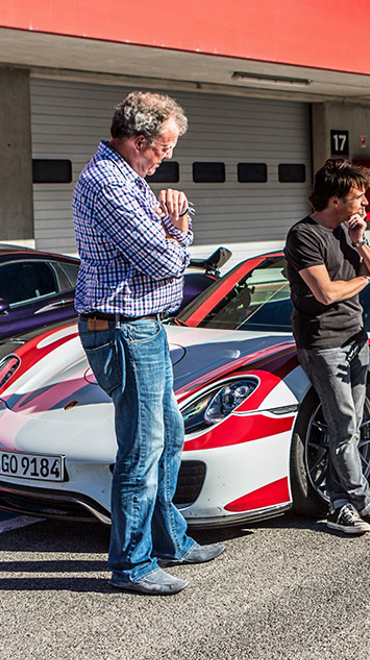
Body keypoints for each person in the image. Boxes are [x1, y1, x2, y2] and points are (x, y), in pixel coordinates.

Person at [73, 91, 224, 596]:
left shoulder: (132, 181)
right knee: (143, 447)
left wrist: (174, 213)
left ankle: (169, 540)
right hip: (123, 327)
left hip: (142, 325)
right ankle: (132, 564)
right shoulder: (109, 183)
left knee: (170, 436)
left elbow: (164, 236)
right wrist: (179, 228)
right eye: (163, 147)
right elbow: (162, 260)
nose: (167, 157)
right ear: (139, 141)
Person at [285, 160, 370, 535]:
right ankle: (366, 504)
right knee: (343, 424)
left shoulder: (347, 233)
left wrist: (361, 243)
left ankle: (341, 506)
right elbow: (325, 293)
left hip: (355, 340)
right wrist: (362, 278)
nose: (365, 202)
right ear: (335, 199)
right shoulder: (304, 235)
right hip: (323, 343)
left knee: (352, 425)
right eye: (358, 196)